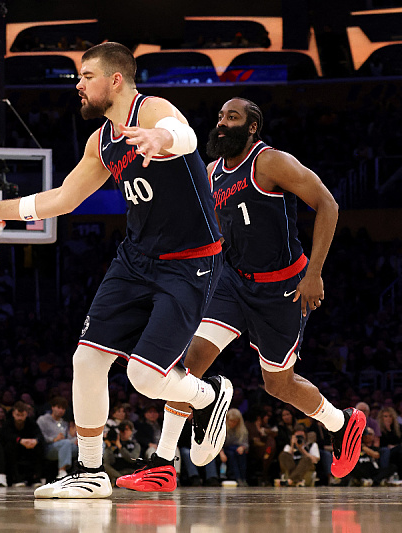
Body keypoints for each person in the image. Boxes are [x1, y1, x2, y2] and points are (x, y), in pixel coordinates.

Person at [0, 42, 233, 499]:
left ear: (115, 80)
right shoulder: (102, 140)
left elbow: (185, 133)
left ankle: (206, 394)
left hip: (190, 261)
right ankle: (91, 473)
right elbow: (63, 198)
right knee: (87, 360)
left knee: (144, 377)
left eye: (87, 75)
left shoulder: (151, 109)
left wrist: (163, 139)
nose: (78, 83)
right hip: (135, 259)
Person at [117, 97, 365, 492]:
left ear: (251, 128)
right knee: (187, 362)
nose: (222, 123)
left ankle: (340, 422)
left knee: (278, 385)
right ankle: (163, 463)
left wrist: (315, 273)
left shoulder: (270, 162)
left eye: (232, 117)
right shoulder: (212, 172)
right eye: (219, 116)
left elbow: (328, 205)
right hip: (233, 283)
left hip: (283, 286)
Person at [0, 401, 45, 487]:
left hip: (29, 448)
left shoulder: (31, 423)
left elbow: (40, 435)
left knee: (40, 446)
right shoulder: (8, 423)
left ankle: (36, 477)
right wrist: (20, 440)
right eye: (18, 415)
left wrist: (35, 441)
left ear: (26, 414)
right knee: (10, 446)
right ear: (13, 413)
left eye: (22, 415)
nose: (20, 418)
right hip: (13, 448)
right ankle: (17, 478)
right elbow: (5, 436)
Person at [36, 396, 78, 481]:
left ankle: (87, 471)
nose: (61, 410)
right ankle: (62, 471)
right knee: (65, 443)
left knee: (83, 447)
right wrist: (54, 439)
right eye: (58, 407)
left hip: (64, 446)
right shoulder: (43, 420)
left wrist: (77, 440)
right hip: (48, 447)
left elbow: (68, 438)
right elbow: (39, 436)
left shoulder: (64, 423)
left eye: (63, 408)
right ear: (52, 407)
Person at [220, 408, 249, 486]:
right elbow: (218, 444)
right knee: (231, 455)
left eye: (235, 422)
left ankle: (243, 478)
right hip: (225, 449)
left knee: (241, 455)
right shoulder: (222, 428)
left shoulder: (243, 430)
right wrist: (221, 453)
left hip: (237, 449)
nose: (233, 423)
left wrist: (242, 447)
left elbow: (246, 443)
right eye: (231, 421)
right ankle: (237, 478)